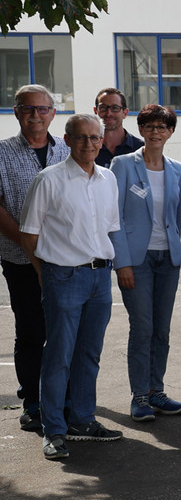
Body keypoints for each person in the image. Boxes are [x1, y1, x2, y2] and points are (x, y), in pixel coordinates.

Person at [20, 114, 122, 460]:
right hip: (63, 276)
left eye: (95, 138)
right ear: (66, 140)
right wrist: (43, 272)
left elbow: (108, 229)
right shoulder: (48, 180)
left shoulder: (108, 178)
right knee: (59, 356)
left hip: (99, 277)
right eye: (82, 138)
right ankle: (54, 430)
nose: (90, 144)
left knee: (89, 354)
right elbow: (29, 233)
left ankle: (81, 420)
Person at [110, 104, 181, 422]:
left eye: (162, 127)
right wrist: (122, 262)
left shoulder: (176, 168)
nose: (156, 132)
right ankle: (140, 395)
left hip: (167, 260)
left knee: (162, 330)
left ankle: (157, 391)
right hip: (136, 262)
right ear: (140, 129)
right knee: (142, 328)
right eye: (150, 126)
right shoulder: (123, 164)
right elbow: (111, 215)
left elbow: (177, 214)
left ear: (170, 132)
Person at [0, 84, 68, 432]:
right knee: (31, 331)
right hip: (20, 259)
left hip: (64, 259)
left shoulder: (69, 150)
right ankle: (33, 401)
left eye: (43, 109)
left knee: (64, 330)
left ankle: (63, 398)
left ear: (53, 113)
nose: (36, 115)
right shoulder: (1, 153)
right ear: (16, 112)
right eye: (28, 108)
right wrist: (29, 245)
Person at [94, 87, 144, 168]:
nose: (108, 113)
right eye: (103, 108)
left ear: (125, 113)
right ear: (96, 111)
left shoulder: (140, 149)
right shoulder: (89, 148)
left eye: (115, 108)